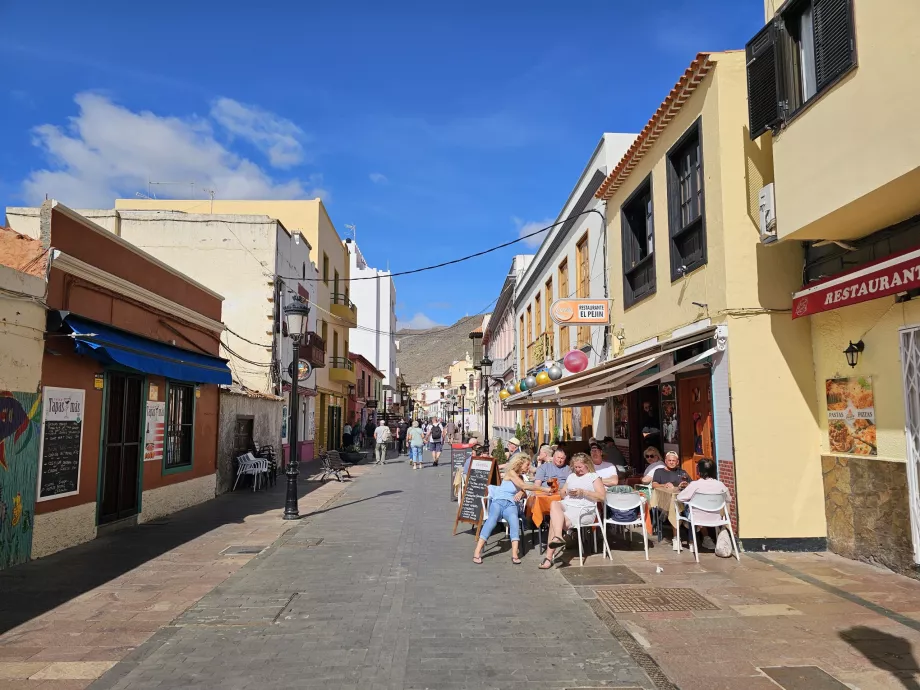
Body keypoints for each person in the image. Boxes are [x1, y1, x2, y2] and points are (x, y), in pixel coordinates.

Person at [473, 453, 552, 565]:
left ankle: (514, 553)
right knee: (492, 520)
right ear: (519, 463)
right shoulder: (511, 473)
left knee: (514, 520)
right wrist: (544, 489)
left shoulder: (520, 477)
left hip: (511, 504)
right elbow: (524, 486)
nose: (528, 467)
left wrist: (521, 492)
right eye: (527, 464)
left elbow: (524, 490)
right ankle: (477, 551)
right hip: (498, 502)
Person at [541, 453, 605, 569]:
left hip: (584, 509)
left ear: (587, 465)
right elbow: (562, 492)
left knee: (554, 523)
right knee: (554, 503)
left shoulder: (593, 477)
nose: (578, 470)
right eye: (575, 467)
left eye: (580, 467)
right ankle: (559, 536)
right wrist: (563, 492)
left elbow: (602, 497)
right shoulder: (571, 476)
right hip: (568, 505)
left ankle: (548, 558)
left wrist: (583, 492)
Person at [677, 458, 731, 552]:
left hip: (696, 518)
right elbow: (728, 499)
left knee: (686, 506)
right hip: (716, 519)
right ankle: (704, 538)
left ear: (699, 471)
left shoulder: (695, 484)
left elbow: (679, 498)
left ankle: (689, 538)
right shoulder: (720, 485)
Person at [651, 451, 692, 551]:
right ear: (665, 461)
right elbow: (654, 484)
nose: (671, 462)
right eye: (669, 460)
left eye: (674, 460)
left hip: (682, 500)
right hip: (665, 501)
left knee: (690, 508)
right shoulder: (659, 471)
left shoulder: (682, 472)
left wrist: (685, 485)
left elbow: (691, 483)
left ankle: (697, 538)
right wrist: (663, 485)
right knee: (676, 509)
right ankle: (676, 538)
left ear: (677, 462)